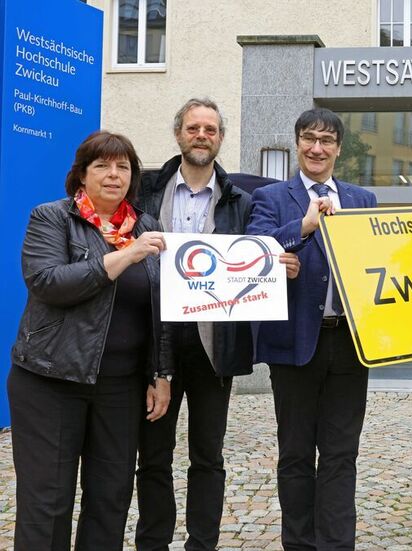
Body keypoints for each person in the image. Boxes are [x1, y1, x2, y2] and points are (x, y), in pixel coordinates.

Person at [133, 98, 299, 550]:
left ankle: (201, 545)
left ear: (220, 138)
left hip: (213, 344)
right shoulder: (145, 191)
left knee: (208, 457)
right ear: (179, 134)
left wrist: (276, 266)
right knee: (152, 457)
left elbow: (257, 257)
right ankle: (152, 543)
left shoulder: (240, 202)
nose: (201, 135)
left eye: (210, 128)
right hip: (153, 341)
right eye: (193, 127)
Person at [8, 131, 173, 550]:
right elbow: (48, 282)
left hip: (120, 387)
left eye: (123, 167)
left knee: (110, 499)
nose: (113, 175)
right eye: (102, 166)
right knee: (48, 502)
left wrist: (161, 372)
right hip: (50, 380)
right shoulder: (51, 217)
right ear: (81, 174)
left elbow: (160, 306)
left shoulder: (147, 226)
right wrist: (125, 256)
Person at [246, 107, 377, 550]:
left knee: (342, 454)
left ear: (339, 149)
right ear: (298, 143)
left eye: (326, 140)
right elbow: (256, 250)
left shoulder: (362, 200)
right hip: (295, 345)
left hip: (349, 344)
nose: (317, 148)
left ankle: (337, 545)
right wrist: (302, 227)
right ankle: (298, 544)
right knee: (297, 454)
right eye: (309, 138)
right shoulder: (270, 197)